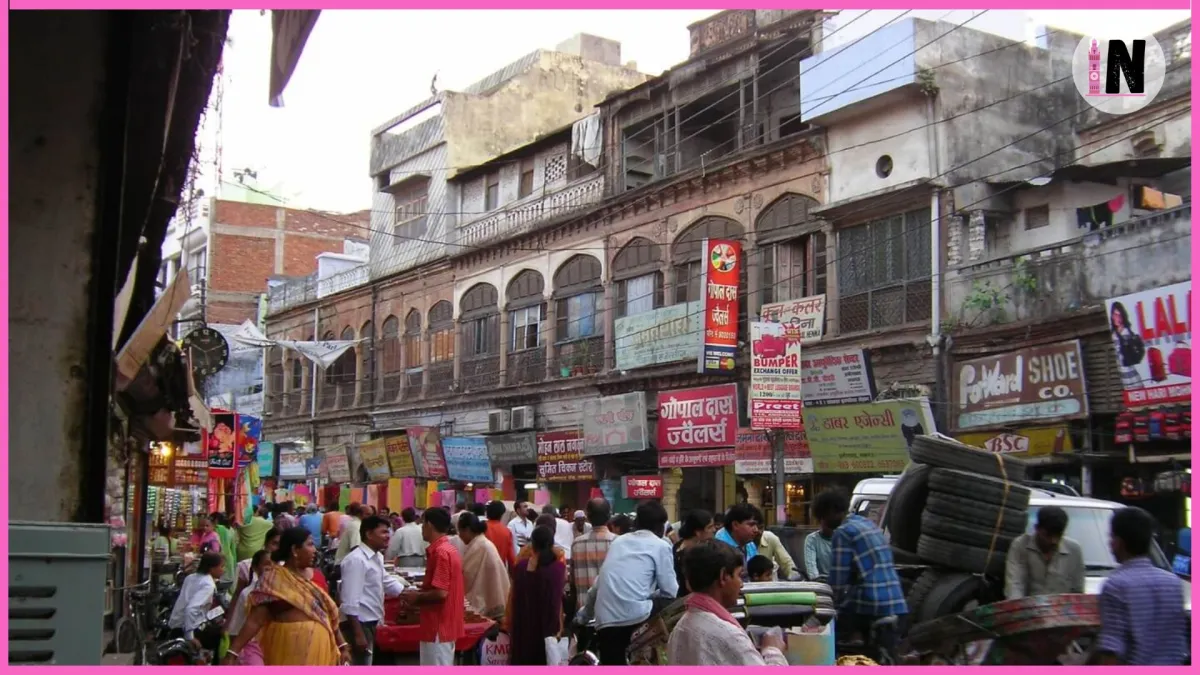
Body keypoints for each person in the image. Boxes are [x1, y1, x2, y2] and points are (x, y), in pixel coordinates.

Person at [223, 527, 349, 666]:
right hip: (288, 651)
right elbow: (255, 620)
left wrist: (342, 646)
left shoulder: (316, 576)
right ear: (295, 550)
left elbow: (326, 617)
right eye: (310, 544)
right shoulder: (273, 580)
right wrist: (232, 653)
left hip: (319, 652)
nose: (315, 550)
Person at [584, 500, 679, 665]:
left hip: (604, 622)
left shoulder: (618, 542)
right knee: (673, 603)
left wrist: (584, 615)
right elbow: (670, 591)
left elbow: (599, 584)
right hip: (636, 618)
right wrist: (648, 596)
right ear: (661, 526)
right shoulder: (661, 545)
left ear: (637, 522)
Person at [819, 489, 907, 661]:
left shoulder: (843, 532)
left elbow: (837, 581)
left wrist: (826, 604)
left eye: (822, 518)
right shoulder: (868, 524)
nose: (822, 524)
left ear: (830, 512)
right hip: (896, 602)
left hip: (871, 603)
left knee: (828, 633)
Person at [666, 540, 788, 665]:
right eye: (739, 575)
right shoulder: (728, 635)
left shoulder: (680, 628)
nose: (741, 584)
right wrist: (772, 651)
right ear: (723, 576)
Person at [1092, 507, 1188, 665]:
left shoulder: (1116, 585)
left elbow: (1112, 648)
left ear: (1119, 542)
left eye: (1111, 537)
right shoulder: (1173, 583)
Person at [399, 507, 465, 666]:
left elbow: (441, 593)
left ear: (429, 524)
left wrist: (416, 597)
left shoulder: (441, 552)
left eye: (422, 523)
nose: (421, 527)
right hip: (444, 622)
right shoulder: (448, 549)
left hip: (438, 625)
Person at [339, 515, 407, 665]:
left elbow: (386, 581)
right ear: (369, 534)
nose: (388, 536)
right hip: (361, 623)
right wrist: (358, 634)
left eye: (388, 532)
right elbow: (349, 601)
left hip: (373, 621)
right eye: (383, 532)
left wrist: (408, 593)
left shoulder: (377, 557)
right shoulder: (356, 560)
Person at [507, 525, 568, 665]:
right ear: (551, 544)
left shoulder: (521, 567)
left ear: (532, 545)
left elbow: (514, 599)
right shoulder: (558, 569)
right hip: (547, 631)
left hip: (523, 630)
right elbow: (555, 603)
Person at [1004, 506, 1085, 599]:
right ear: (1037, 528)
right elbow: (1015, 585)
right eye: (1048, 535)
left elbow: (1078, 591)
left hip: (1062, 611)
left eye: (1058, 536)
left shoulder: (1074, 550)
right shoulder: (1020, 546)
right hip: (1027, 610)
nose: (1053, 541)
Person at [168, 552, 225, 651]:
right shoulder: (208, 585)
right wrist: (190, 637)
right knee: (221, 636)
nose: (223, 570)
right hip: (186, 628)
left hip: (175, 624)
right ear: (212, 568)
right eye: (221, 566)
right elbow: (191, 609)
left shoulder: (191, 577)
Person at [458, 513, 509, 620]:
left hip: (485, 598)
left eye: (460, 531)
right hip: (491, 594)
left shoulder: (480, 545)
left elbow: (467, 573)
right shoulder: (481, 542)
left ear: (467, 530)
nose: (459, 535)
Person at [227, 550, 273, 666]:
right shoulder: (247, 594)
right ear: (256, 568)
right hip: (251, 647)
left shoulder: (282, 594)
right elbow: (235, 628)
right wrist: (232, 654)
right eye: (267, 564)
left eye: (274, 564)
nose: (271, 568)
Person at [571, 498, 616, 610]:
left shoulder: (577, 543)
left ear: (588, 517)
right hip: (611, 610)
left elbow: (572, 579)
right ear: (609, 516)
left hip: (584, 610)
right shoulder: (618, 542)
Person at [232, 528, 281, 607]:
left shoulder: (284, 569)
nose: (278, 549)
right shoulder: (246, 566)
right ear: (266, 543)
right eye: (274, 543)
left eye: (281, 546)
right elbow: (237, 594)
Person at [672, 509, 716, 596]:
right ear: (698, 532)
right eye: (709, 527)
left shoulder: (678, 545)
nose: (714, 530)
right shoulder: (697, 554)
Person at [748, 505, 796, 580]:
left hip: (770, 586)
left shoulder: (770, 538)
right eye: (755, 527)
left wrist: (795, 580)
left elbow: (787, 563)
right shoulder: (742, 542)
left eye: (761, 527)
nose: (758, 531)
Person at [715, 504, 758, 570]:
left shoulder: (750, 544)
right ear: (735, 525)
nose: (756, 530)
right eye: (751, 525)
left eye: (756, 525)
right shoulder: (718, 547)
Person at [484, 501, 516, 571]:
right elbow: (511, 558)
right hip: (500, 570)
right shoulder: (506, 531)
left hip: (482, 570)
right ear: (502, 514)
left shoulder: (481, 528)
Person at [804, 513, 835, 580]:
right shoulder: (812, 539)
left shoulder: (843, 538)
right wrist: (816, 579)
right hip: (821, 583)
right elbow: (811, 566)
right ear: (820, 521)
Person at [211, 513, 238, 584]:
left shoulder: (216, 530)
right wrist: (234, 563)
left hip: (219, 559)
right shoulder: (231, 530)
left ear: (216, 521)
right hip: (229, 558)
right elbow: (233, 549)